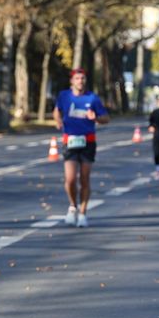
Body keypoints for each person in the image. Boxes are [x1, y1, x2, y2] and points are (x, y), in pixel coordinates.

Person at [53, 68, 110, 227]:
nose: (80, 81)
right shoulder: (64, 96)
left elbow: (106, 118)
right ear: (72, 81)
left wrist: (96, 118)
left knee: (84, 179)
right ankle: (73, 205)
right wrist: (58, 121)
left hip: (88, 142)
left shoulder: (92, 98)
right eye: (77, 78)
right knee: (70, 179)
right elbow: (57, 111)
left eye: (83, 78)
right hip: (70, 141)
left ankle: (83, 213)